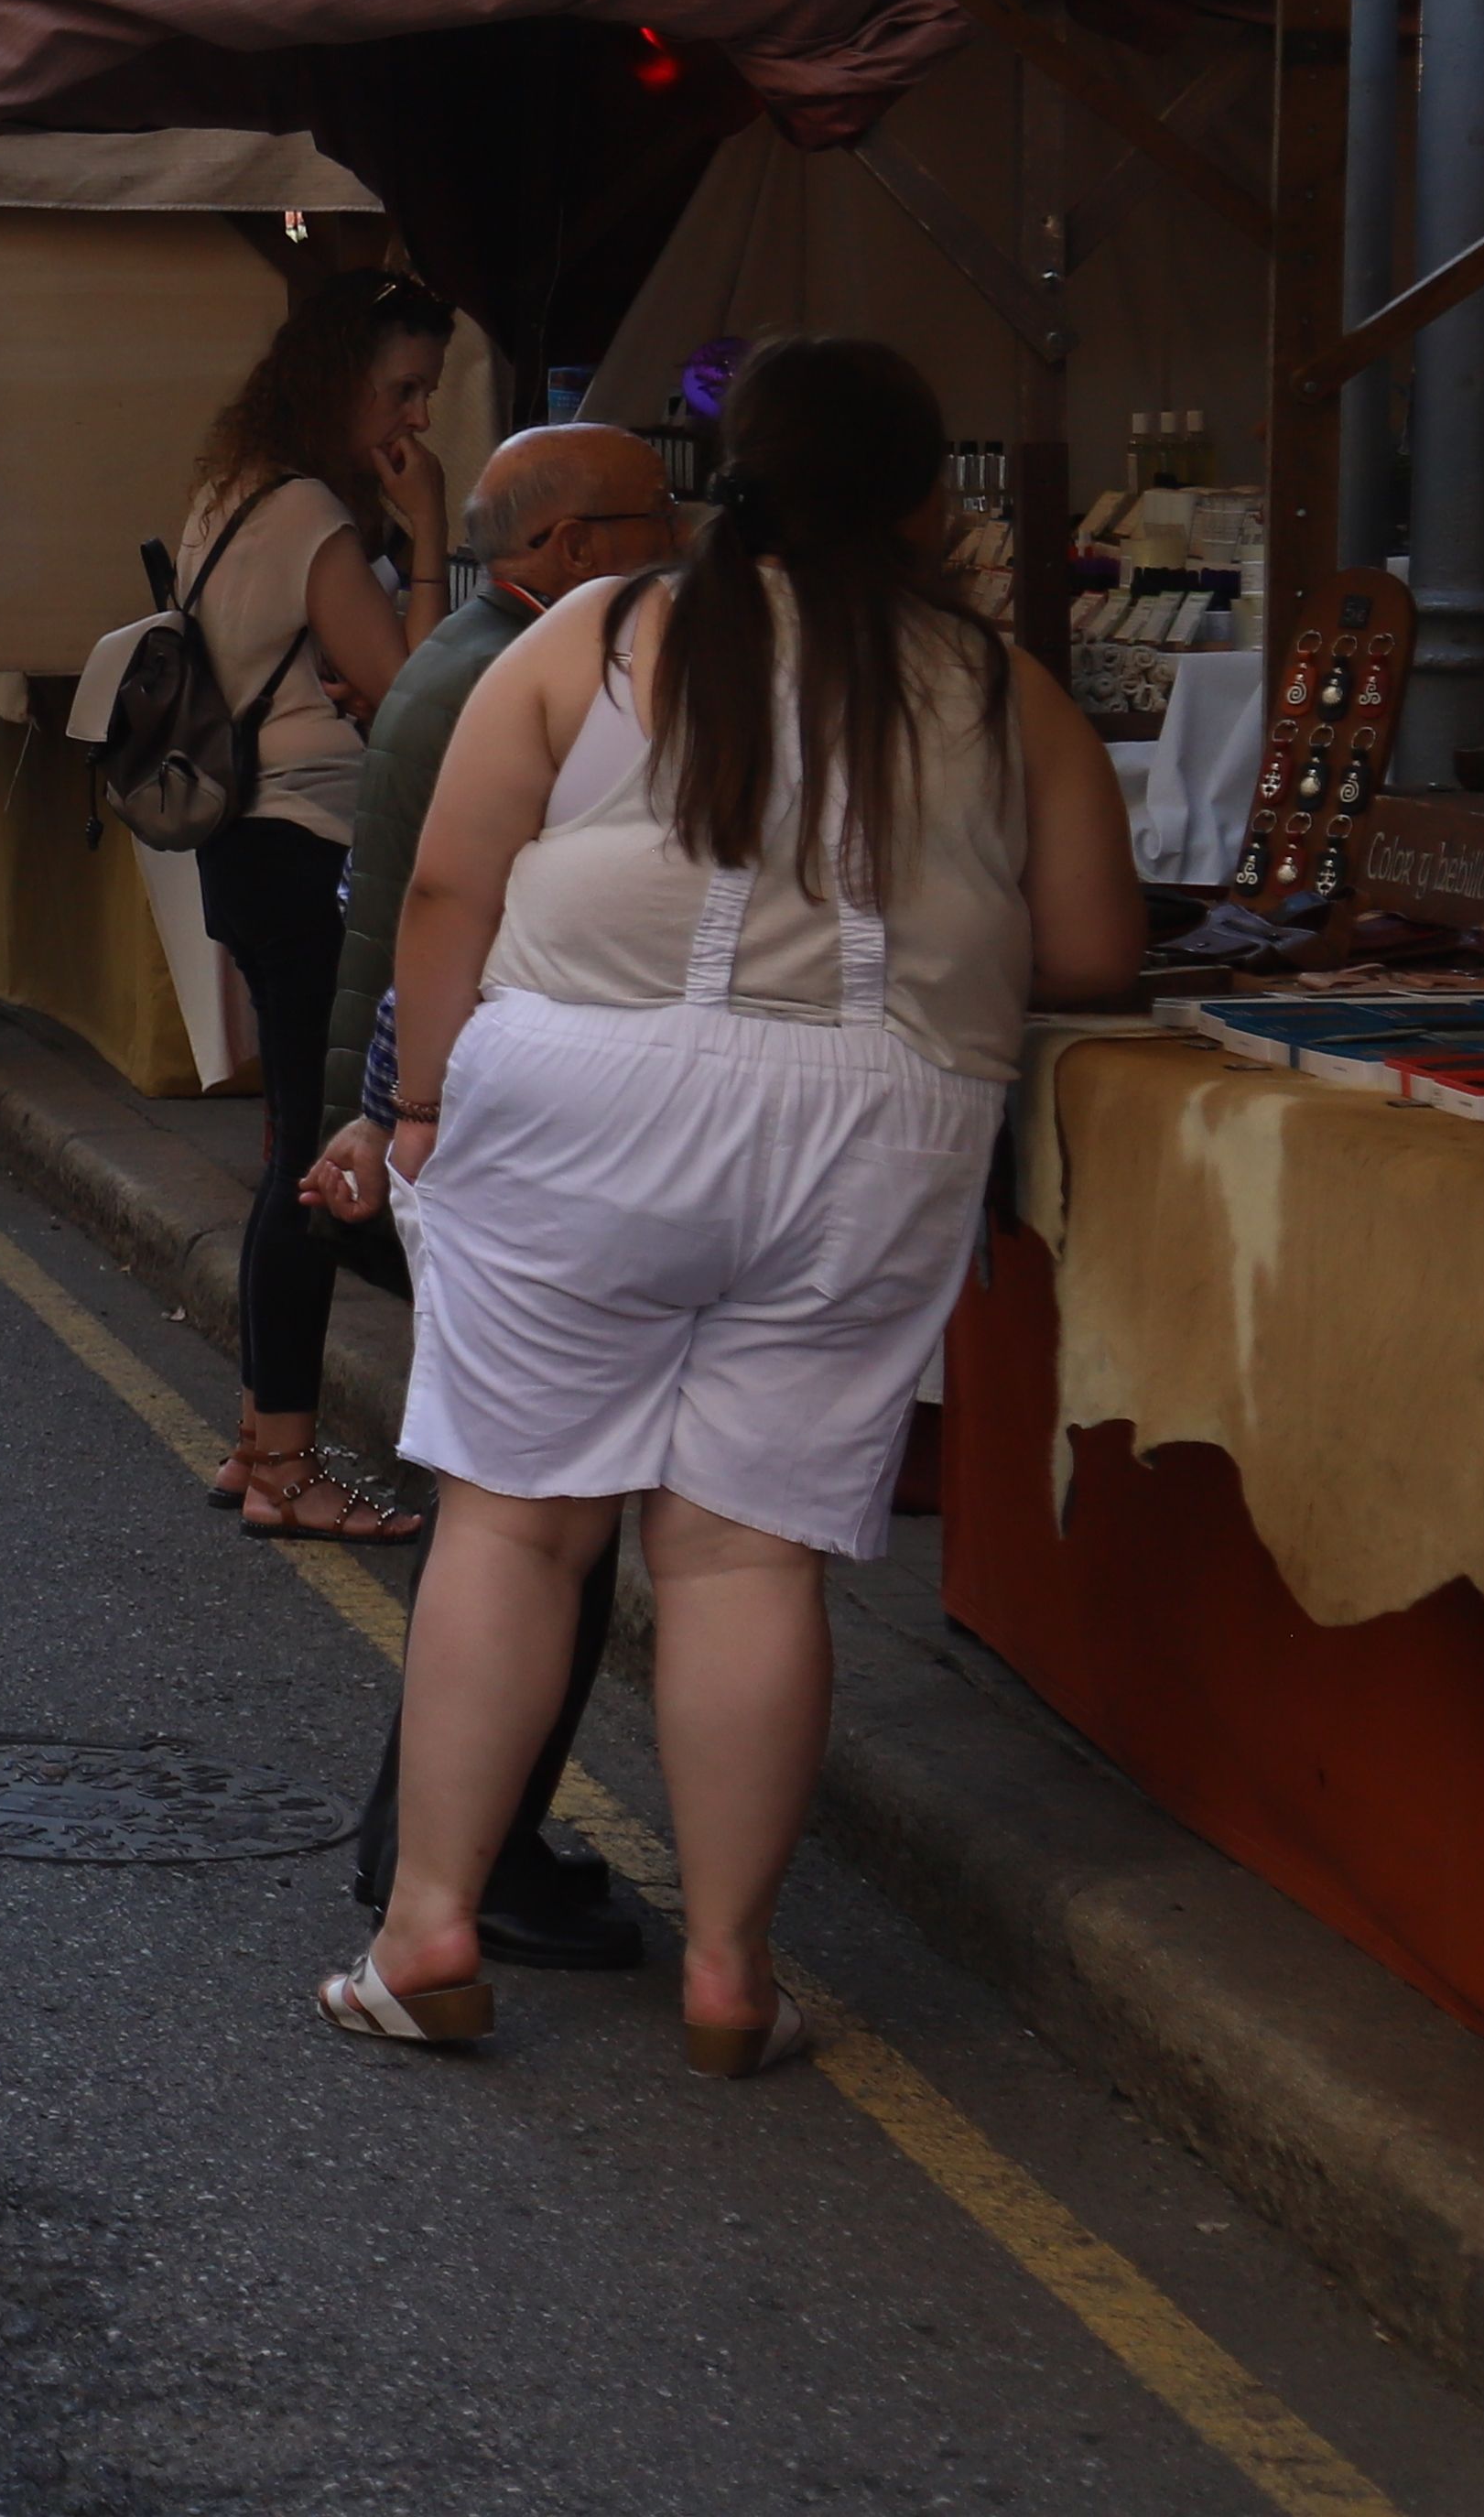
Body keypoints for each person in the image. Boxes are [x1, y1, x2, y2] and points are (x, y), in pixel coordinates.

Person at [327, 337, 1137, 2070]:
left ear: (729, 476)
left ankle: (430, 1928)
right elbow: (1089, 951)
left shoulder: (594, 635)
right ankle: (730, 1973)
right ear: (932, 505)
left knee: (519, 1520)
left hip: (580, 1096)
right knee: (746, 1552)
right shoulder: (1005, 691)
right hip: (878, 1119)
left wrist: (410, 1104)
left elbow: (450, 884)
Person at [283, 423, 684, 1975]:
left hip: (440, 1128)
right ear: (578, 545)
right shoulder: (523, 678)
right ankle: (464, 1857)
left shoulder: (489, 654)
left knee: (526, 1523)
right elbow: (447, 921)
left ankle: (447, 1850)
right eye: (661, 513)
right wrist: (394, 1122)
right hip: (473, 1141)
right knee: (536, 1535)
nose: (683, 537)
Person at [173, 267, 462, 1544]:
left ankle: (262, 1444)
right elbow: (417, 704)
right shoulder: (310, 518)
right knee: (313, 1162)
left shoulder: (231, 494)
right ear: (338, 380)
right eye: (400, 391)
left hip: (245, 846)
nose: (413, 422)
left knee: (293, 1142)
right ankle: (288, 1466)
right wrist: (434, 538)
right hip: (306, 849)